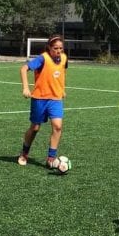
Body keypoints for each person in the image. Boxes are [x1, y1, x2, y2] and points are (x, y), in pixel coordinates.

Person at [19, 36, 68, 169]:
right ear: (49, 48)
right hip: (40, 99)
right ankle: (24, 153)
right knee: (35, 128)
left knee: (57, 126)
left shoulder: (64, 58)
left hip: (55, 99)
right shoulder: (42, 58)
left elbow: (62, 72)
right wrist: (25, 87)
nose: (58, 51)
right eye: (55, 48)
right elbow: (24, 69)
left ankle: (51, 158)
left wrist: (62, 89)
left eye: (61, 48)